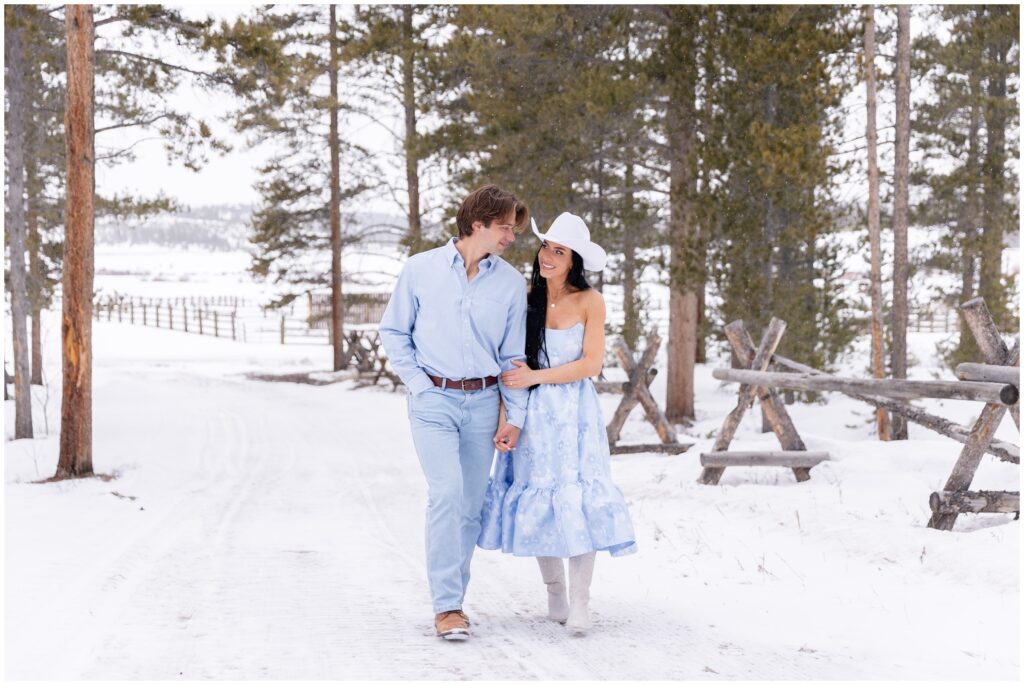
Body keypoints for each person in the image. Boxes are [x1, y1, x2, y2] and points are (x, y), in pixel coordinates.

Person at [379, 184, 531, 641]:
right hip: (433, 403)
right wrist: (421, 387)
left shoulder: (508, 283)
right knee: (445, 493)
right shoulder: (420, 270)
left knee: (468, 506)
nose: (511, 237)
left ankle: (455, 603)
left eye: (514, 229)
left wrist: (515, 416)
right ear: (477, 224)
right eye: (505, 228)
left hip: (484, 404)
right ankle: (446, 606)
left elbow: (512, 357)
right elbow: (393, 332)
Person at [478, 212, 637, 637]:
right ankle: (555, 593)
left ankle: (582, 601)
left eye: (558, 251)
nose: (547, 256)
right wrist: (508, 418)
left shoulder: (590, 301)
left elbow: (590, 364)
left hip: (575, 417)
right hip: (532, 416)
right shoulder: (526, 297)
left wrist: (536, 377)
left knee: (578, 500)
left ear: (574, 261)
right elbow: (509, 364)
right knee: (538, 499)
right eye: (546, 247)